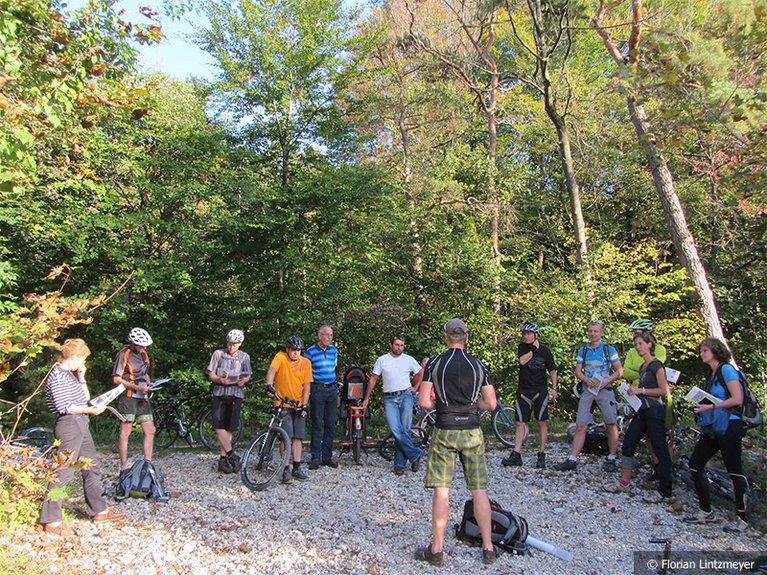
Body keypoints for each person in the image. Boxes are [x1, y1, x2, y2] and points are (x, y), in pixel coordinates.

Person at [415, 319, 498, 566]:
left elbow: (424, 402)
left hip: (445, 428)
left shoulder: (435, 364)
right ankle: (488, 547)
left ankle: (437, 549)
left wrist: (443, 406)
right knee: (479, 489)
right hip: (472, 430)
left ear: (446, 337)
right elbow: (491, 404)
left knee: (442, 490)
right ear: (466, 337)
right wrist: (472, 407)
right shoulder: (478, 365)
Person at [39, 339, 124, 535]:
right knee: (64, 470)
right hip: (69, 425)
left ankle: (99, 509)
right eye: (82, 359)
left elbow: (85, 398)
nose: (83, 363)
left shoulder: (70, 375)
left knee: (91, 466)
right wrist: (90, 410)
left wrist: (82, 377)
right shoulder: (57, 376)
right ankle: (51, 519)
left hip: (81, 423)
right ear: (74, 356)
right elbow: (64, 407)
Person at [683, 337, 749, 534]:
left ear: (715, 351)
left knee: (734, 470)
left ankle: (742, 517)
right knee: (695, 464)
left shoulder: (726, 370)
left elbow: (737, 399)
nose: (702, 354)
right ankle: (705, 510)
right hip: (713, 425)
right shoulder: (711, 373)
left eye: (705, 350)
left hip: (730, 424)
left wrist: (711, 405)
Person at [604, 332, 673, 503]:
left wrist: (640, 391)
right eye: (636, 344)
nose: (638, 347)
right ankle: (624, 482)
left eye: (641, 343)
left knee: (659, 447)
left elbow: (663, 390)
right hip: (641, 410)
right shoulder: (643, 367)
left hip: (654, 410)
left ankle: (666, 490)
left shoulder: (657, 366)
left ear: (650, 344)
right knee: (628, 444)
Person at [555, 320, 623, 471]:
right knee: (581, 424)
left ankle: (612, 457)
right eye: (590, 331)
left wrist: (607, 381)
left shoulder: (609, 349)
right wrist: (585, 379)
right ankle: (572, 458)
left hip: (605, 389)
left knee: (611, 423)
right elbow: (578, 370)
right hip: (589, 389)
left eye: (596, 331)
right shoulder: (583, 350)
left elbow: (619, 371)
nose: (593, 334)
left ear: (601, 333)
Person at [501, 321, 558, 469]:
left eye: (529, 334)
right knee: (520, 422)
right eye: (524, 334)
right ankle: (516, 453)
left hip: (540, 390)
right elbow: (522, 361)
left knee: (541, 421)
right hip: (524, 390)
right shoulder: (523, 348)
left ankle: (541, 453)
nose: (526, 336)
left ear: (536, 334)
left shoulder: (546, 351)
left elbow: (552, 369)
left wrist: (554, 387)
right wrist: (533, 349)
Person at [362, 335, 423, 475]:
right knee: (396, 429)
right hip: (389, 398)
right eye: (397, 344)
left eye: (401, 345)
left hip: (405, 395)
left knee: (405, 430)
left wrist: (416, 387)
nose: (399, 347)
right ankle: (415, 454)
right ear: (391, 345)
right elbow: (373, 379)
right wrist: (366, 398)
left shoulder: (408, 359)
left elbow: (421, 372)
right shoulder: (382, 360)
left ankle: (400, 464)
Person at [265, 336, 312, 483]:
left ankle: (297, 466)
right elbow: (272, 370)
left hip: (298, 404)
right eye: (293, 350)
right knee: (286, 437)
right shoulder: (280, 357)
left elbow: (307, 386)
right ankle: (285, 467)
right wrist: (269, 384)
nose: (296, 353)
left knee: (298, 437)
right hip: (283, 403)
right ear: (288, 350)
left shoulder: (306, 363)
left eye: (298, 350)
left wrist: (304, 404)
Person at [206, 329, 252, 473]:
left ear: (240, 344)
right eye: (229, 344)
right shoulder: (218, 354)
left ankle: (224, 458)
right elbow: (210, 372)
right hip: (219, 392)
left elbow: (248, 374)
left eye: (234, 344)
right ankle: (232, 455)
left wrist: (243, 380)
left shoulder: (244, 357)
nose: (231, 347)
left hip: (235, 393)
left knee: (229, 427)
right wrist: (219, 379)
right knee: (218, 425)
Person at [113, 327, 155, 471]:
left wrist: (148, 382)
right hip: (128, 396)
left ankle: (148, 463)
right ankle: (124, 466)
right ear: (133, 343)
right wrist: (136, 387)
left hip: (142, 396)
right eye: (140, 345)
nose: (143, 348)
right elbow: (117, 379)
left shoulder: (144, 354)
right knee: (126, 431)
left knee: (150, 429)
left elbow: (145, 373)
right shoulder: (124, 354)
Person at [304, 325, 339, 470]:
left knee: (330, 424)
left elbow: (333, 367)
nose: (329, 338)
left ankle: (327, 456)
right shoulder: (310, 351)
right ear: (320, 336)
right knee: (317, 423)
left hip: (331, 388)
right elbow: (305, 371)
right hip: (318, 388)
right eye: (326, 335)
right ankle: (315, 457)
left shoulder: (333, 351)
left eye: (331, 335)